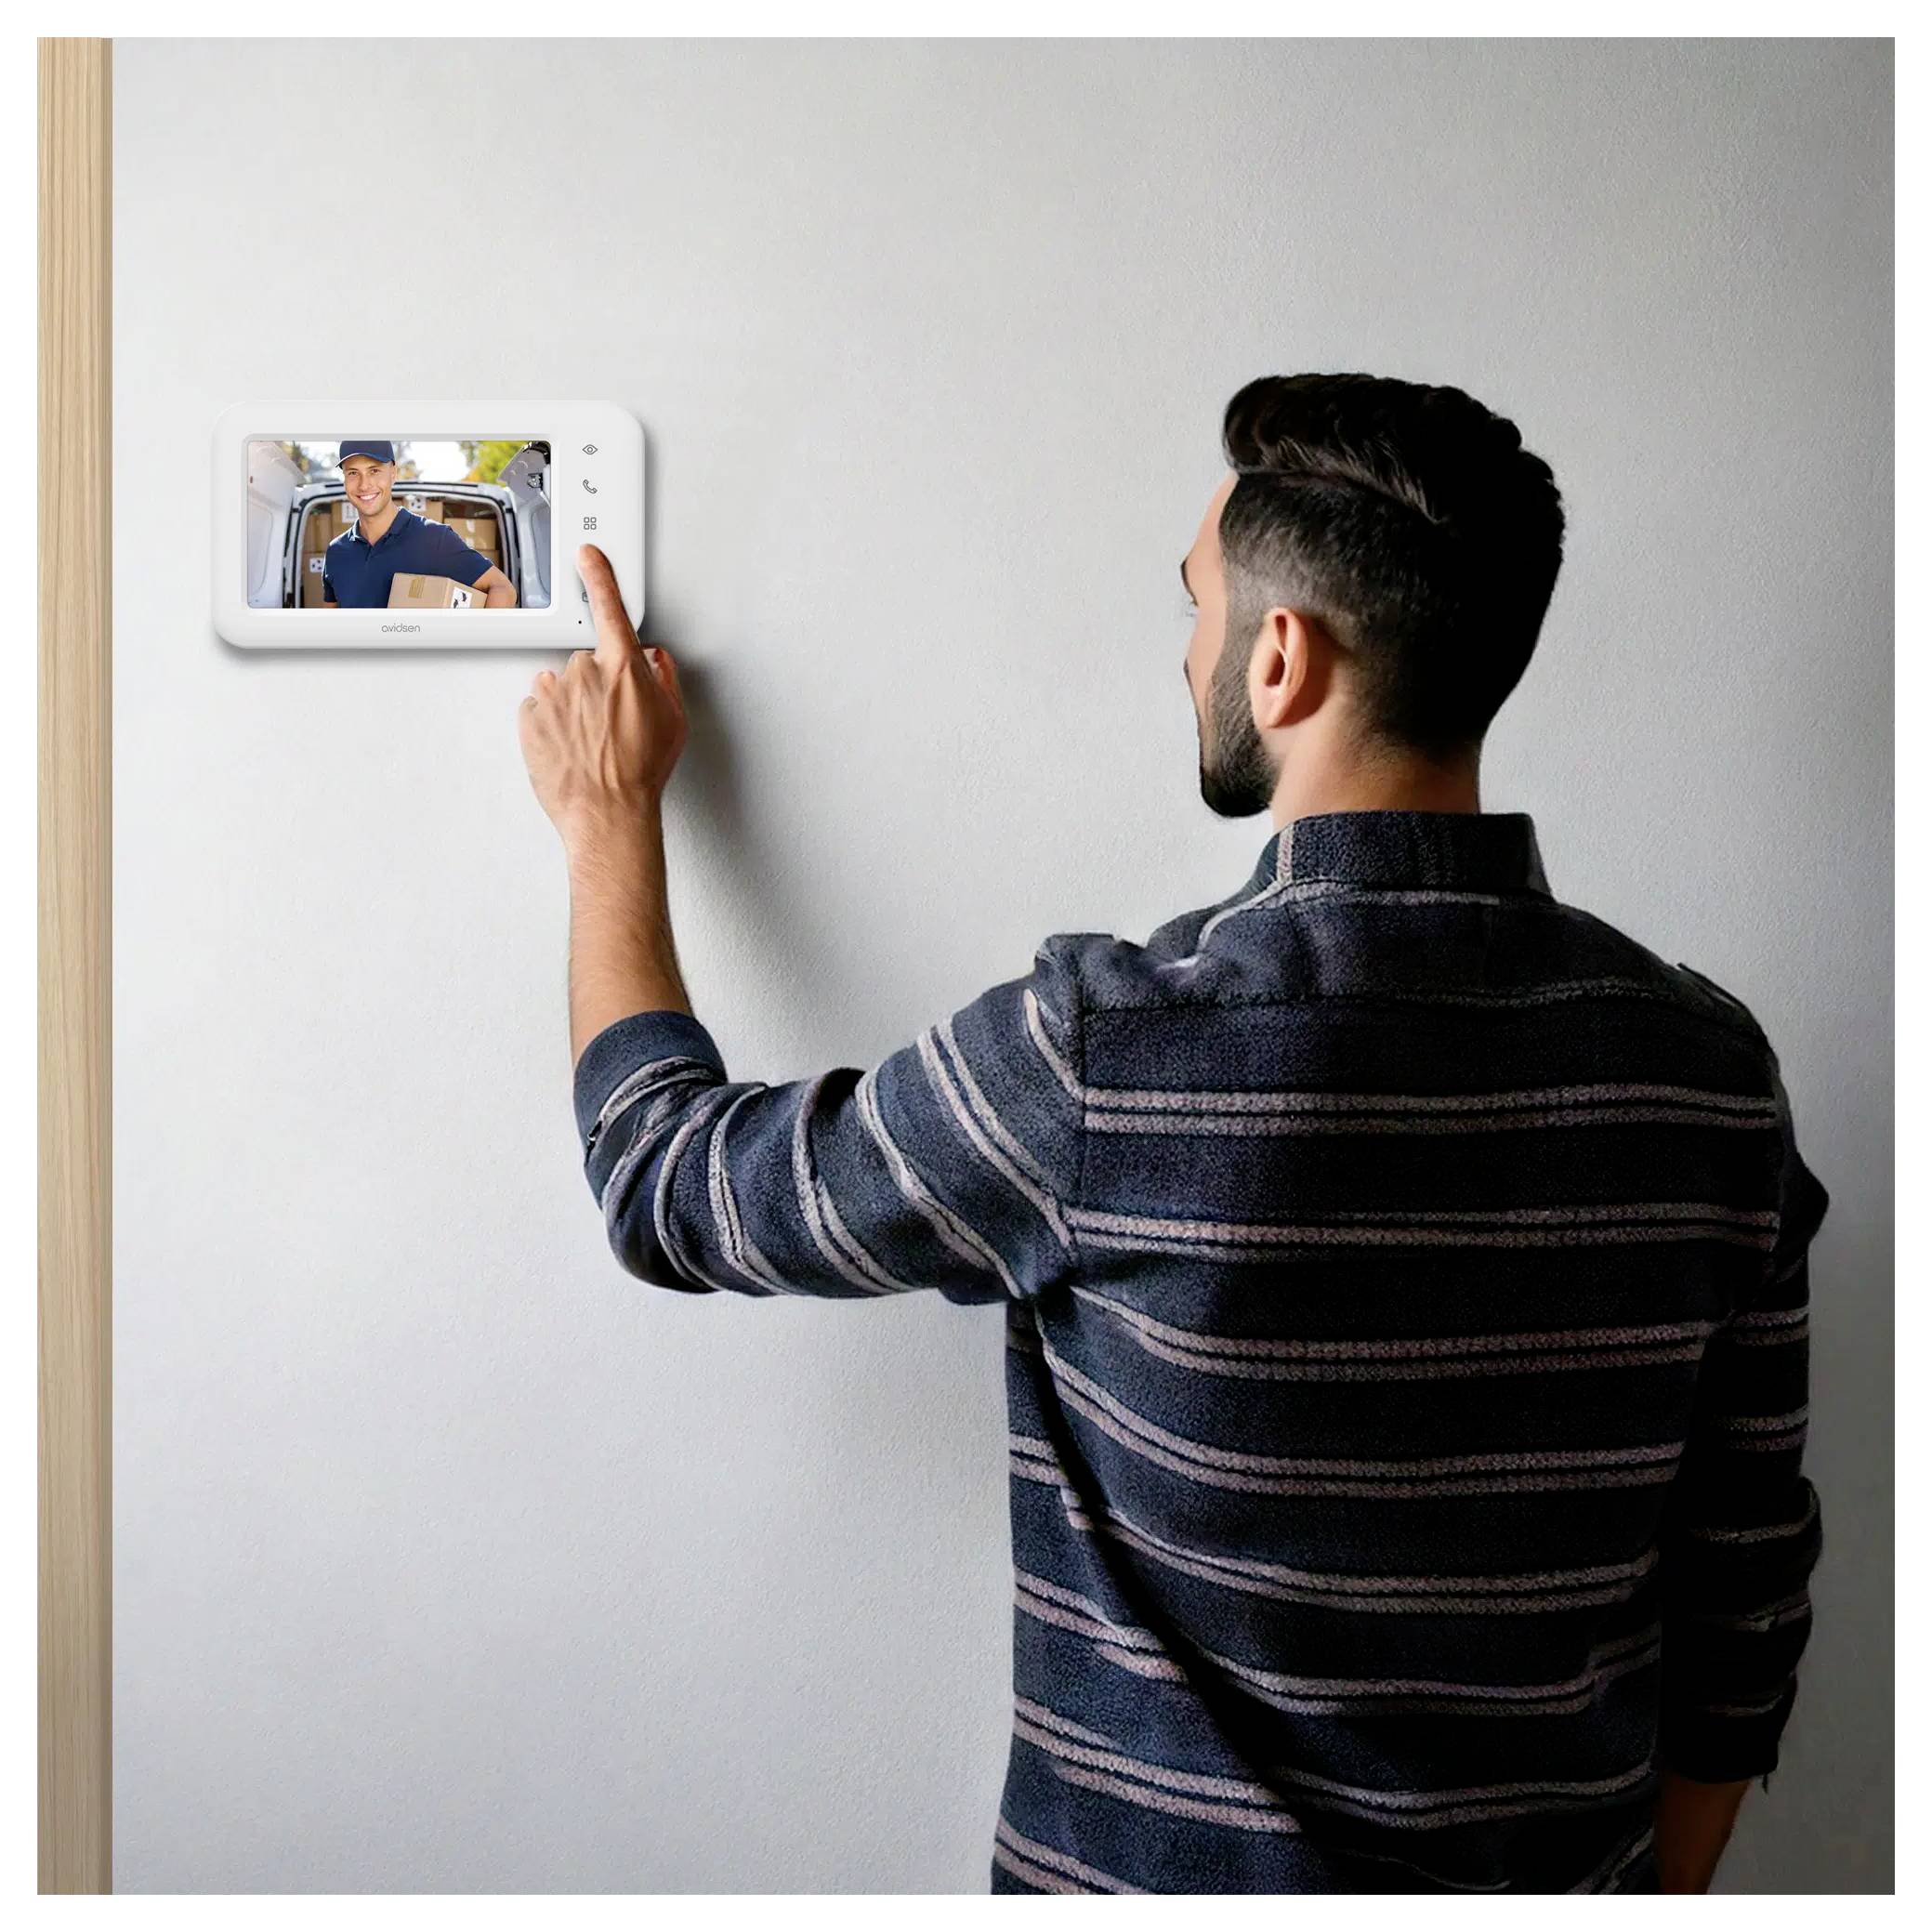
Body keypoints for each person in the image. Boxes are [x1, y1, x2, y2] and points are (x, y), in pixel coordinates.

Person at [515, 374, 1826, 1896]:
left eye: (1196, 603)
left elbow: (672, 1187)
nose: (1184, 647)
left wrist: (608, 813)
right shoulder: (1707, 1073)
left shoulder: (1110, 1057)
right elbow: (1742, 1601)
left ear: (1280, 659)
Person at [319, 440, 517, 608]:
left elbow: (502, 589)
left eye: (374, 470)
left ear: (393, 473)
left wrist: (478, 646)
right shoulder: (337, 552)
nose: (364, 484)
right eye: (353, 473)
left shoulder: (434, 539)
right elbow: (332, 625)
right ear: (344, 479)